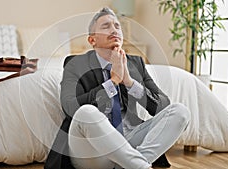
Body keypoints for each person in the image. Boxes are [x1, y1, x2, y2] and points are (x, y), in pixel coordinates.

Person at [45, 7, 190, 169]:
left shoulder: (136, 63)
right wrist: (112, 82)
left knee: (180, 111)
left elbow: (162, 107)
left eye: (117, 26)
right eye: (106, 26)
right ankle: (140, 166)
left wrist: (129, 82)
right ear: (92, 40)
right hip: (92, 150)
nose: (114, 29)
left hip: (130, 142)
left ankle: (134, 164)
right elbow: (69, 107)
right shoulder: (75, 64)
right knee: (86, 112)